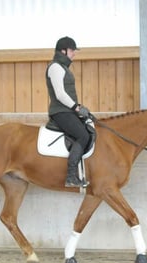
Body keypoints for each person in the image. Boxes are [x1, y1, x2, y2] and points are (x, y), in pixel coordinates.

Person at [46, 36, 91, 188]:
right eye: (72, 51)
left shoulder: (63, 68)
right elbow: (60, 94)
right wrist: (76, 108)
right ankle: (71, 176)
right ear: (63, 51)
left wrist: (78, 107)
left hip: (68, 110)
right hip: (60, 112)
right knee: (83, 135)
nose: (74, 54)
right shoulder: (55, 67)